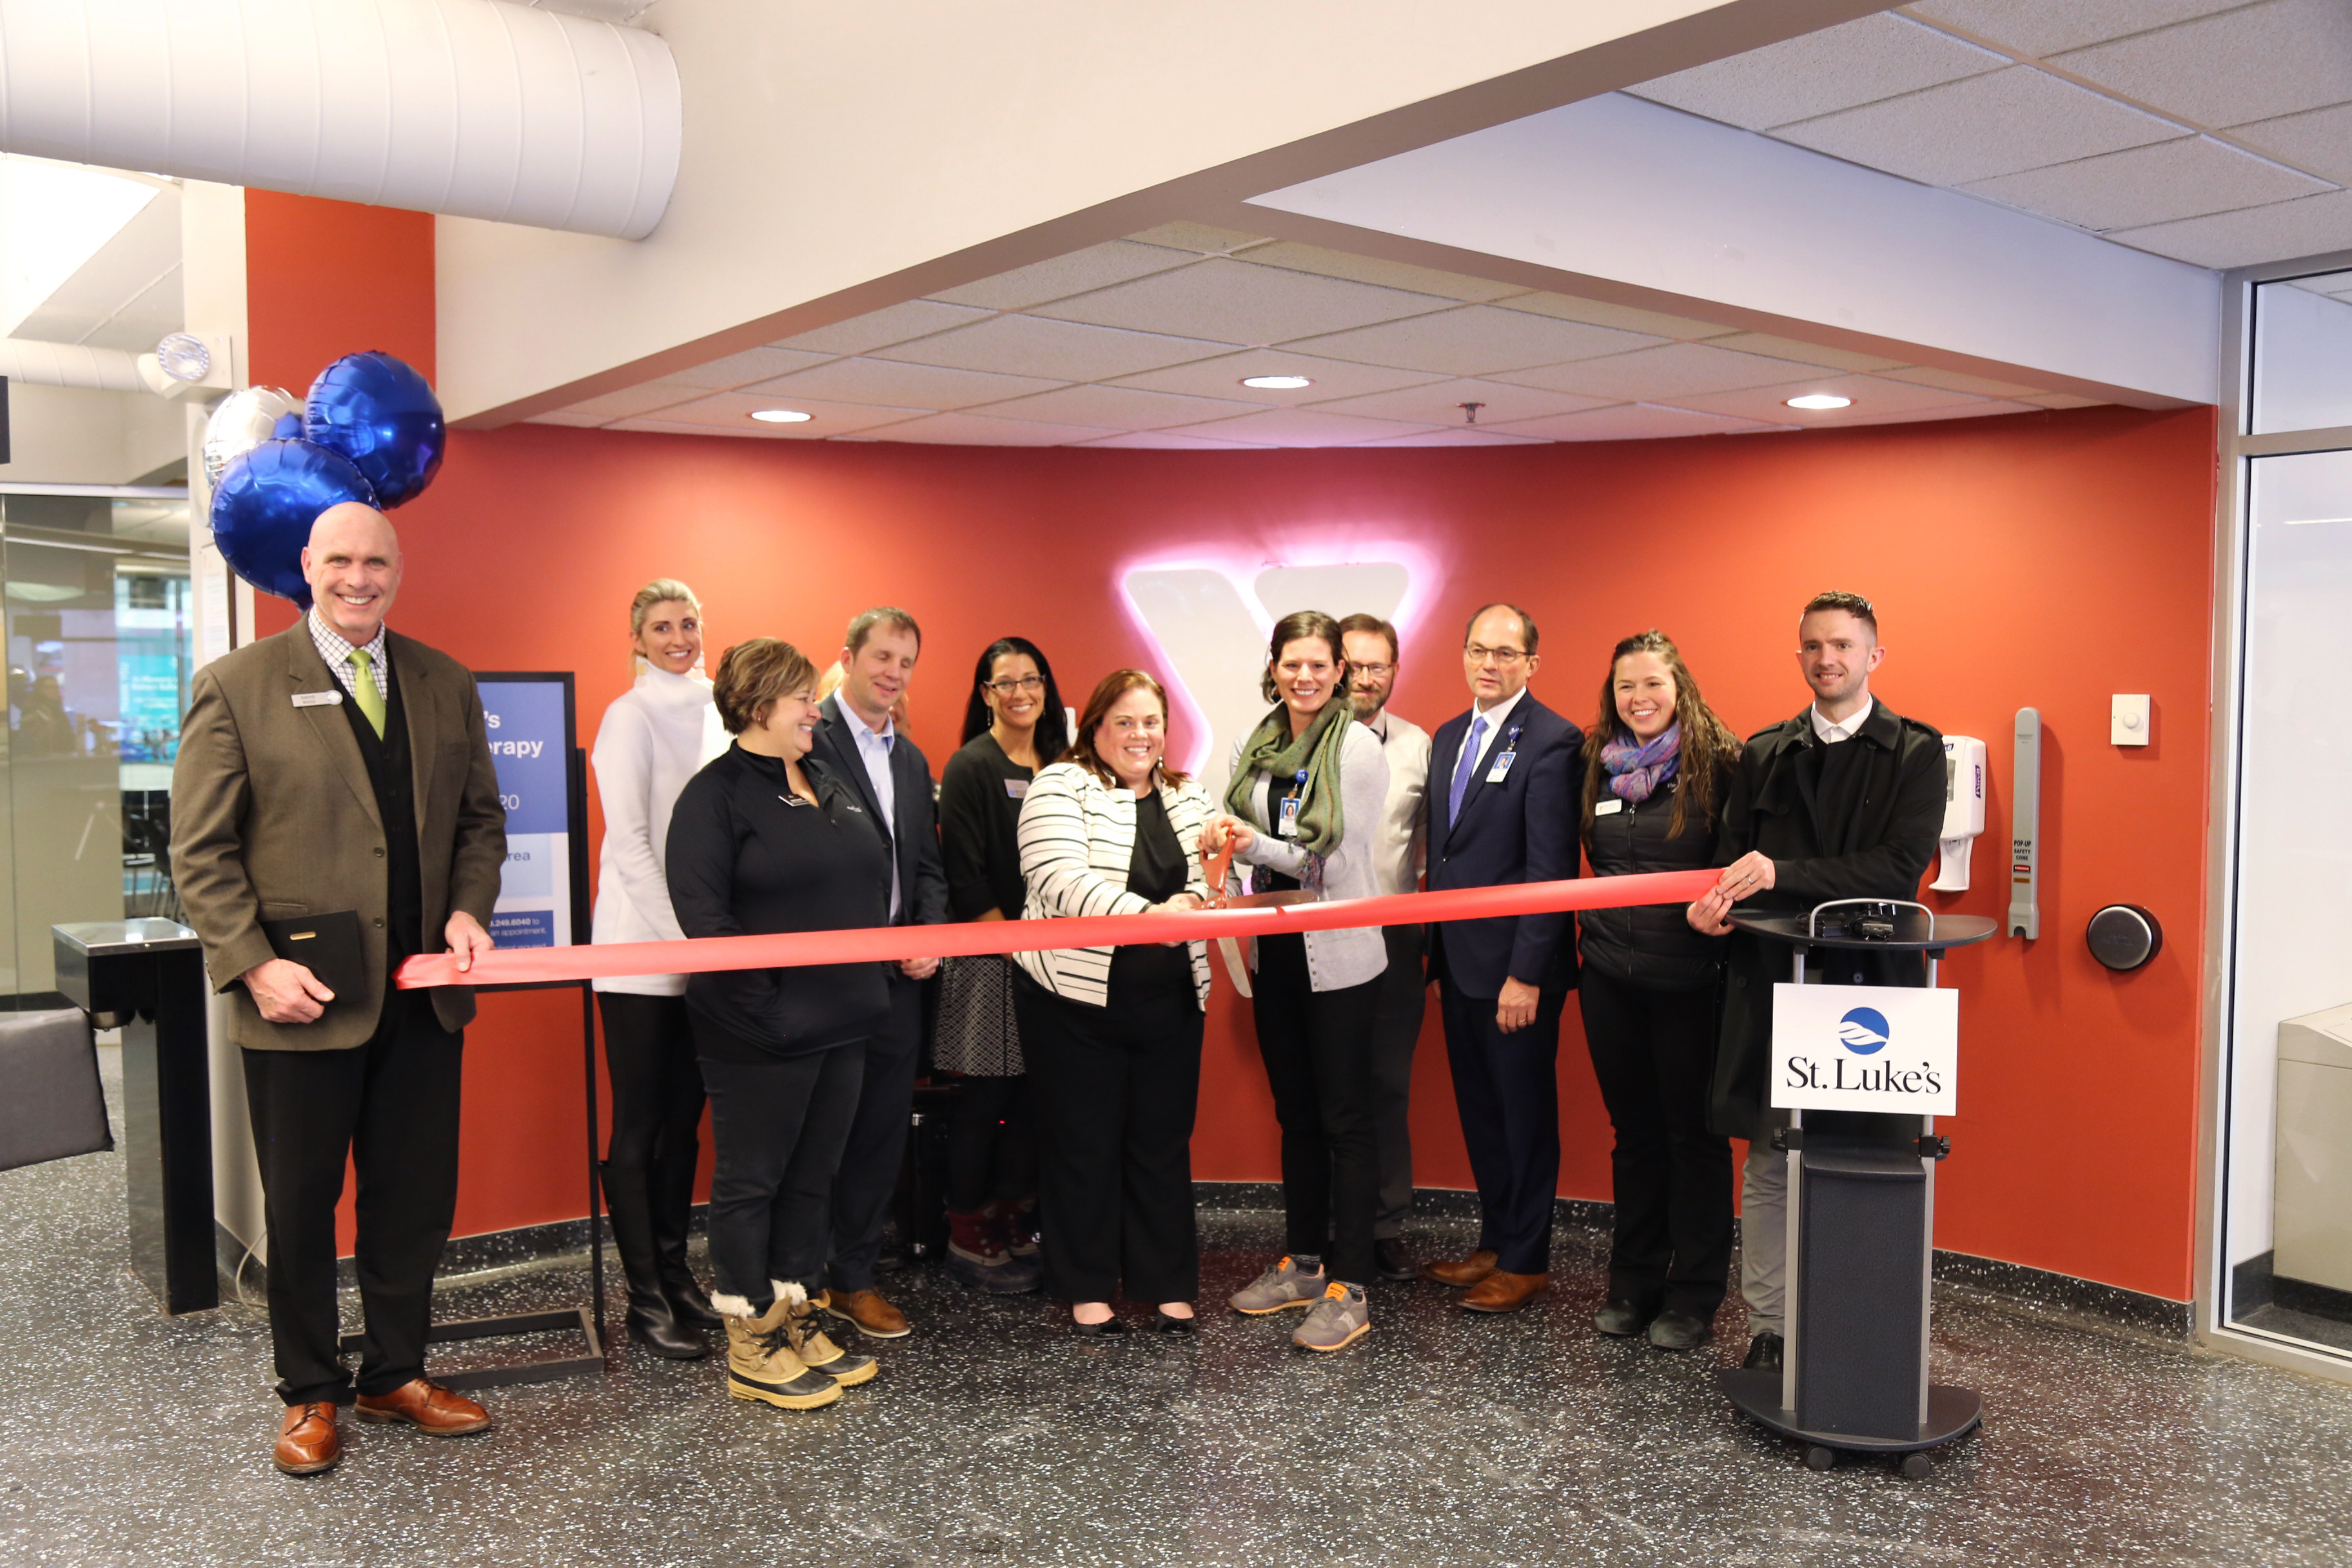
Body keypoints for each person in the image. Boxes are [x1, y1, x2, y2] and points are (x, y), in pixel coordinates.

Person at [170, 502, 505, 1477]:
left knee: (411, 1204)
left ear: (398, 569)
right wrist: (252, 963)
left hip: (422, 995)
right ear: (307, 566)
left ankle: (394, 1372)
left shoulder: (445, 681)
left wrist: (468, 908)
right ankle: (309, 1392)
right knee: (304, 1208)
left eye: (377, 563)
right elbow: (201, 854)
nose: (360, 580)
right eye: (341, 562)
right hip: (299, 998)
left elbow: (480, 823)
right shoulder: (236, 686)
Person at [1687, 591, 1944, 1375]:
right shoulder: (1765, 754)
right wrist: (1715, 905)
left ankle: (1865, 1319)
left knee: (1874, 1159)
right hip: (1775, 985)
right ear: (1798, 655)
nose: (1825, 657)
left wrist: (1783, 873)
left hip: (1876, 996)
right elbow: (1737, 864)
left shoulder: (1916, 752)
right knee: (1771, 1157)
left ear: (1874, 655)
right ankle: (1770, 1325)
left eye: (1841, 644)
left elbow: (1901, 867)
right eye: (1811, 645)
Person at [665, 638, 886, 1412]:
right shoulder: (714, 795)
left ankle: (794, 1314)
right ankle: (750, 1337)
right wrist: (770, 1007)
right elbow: (705, 918)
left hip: (844, 1018)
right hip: (758, 1028)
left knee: (811, 1176)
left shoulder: (826, 774)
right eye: (802, 699)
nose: (816, 711)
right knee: (753, 1180)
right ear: (759, 707)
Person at [1013, 670, 1215, 1337]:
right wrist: (1153, 914)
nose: (1141, 734)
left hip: (1170, 1000)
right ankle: (1087, 1285)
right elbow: (1057, 878)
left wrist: (1203, 889)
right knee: (1083, 1143)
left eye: (1151, 720)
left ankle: (1166, 1282)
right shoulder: (1059, 784)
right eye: (1124, 721)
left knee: (1161, 1142)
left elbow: (1213, 881)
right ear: (1094, 727)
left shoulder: (1187, 794)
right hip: (1072, 999)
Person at [1211, 611, 1389, 1353]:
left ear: (1339, 670)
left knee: (1347, 1119)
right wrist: (1226, 839)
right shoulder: (1260, 741)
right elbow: (1232, 817)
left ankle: (1352, 1284)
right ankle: (1305, 1261)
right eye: (1293, 664)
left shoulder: (1355, 746)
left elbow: (1335, 868)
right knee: (1297, 1112)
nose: (1305, 677)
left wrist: (1256, 844)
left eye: (1320, 664)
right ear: (1275, 665)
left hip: (1341, 953)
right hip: (1278, 949)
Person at [1577, 631, 1741, 1353]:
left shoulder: (1722, 763)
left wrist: (1724, 911)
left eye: (1653, 684)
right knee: (1635, 1136)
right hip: (1610, 976)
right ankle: (1633, 1281)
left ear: (1681, 687)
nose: (1639, 699)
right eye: (1625, 687)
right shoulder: (1595, 765)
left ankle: (1694, 1293)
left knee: (1694, 1138)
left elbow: (1741, 863)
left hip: (1690, 981)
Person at [1418, 602, 1582, 1314]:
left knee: (1523, 1114)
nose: (1490, 663)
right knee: (1481, 1111)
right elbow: (1446, 852)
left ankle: (1527, 1258)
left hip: (1516, 969)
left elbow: (1548, 867)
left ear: (1531, 664)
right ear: (1463, 653)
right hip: (1457, 961)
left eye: (1506, 653)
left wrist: (1527, 972)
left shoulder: (1552, 740)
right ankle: (1494, 1239)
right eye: (1479, 649)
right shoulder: (1449, 736)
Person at [587, 579, 730, 1359]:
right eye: (662, 626)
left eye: (689, 621)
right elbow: (632, 842)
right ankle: (645, 1298)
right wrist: (686, 936)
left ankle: (677, 1277)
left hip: (699, 946)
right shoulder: (628, 715)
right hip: (641, 946)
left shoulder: (718, 707)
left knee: (685, 1122)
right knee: (640, 1123)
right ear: (637, 638)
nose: (679, 635)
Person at [809, 607, 948, 1340]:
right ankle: (799, 1280)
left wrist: (928, 931)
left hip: (897, 979)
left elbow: (926, 865)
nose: (893, 672)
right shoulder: (806, 740)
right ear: (849, 656)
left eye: (906, 661)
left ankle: (854, 1277)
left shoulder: (911, 758)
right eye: (882, 656)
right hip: (826, 976)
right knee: (817, 1131)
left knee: (878, 1131)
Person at [934, 636, 1069, 1293]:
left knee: (1036, 1098)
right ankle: (969, 1231)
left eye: (1031, 679)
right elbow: (965, 876)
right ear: (985, 693)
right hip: (991, 960)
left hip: (1056, 961)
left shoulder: (1063, 763)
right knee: (986, 1100)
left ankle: (1015, 1221)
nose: (1020, 692)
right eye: (1004, 681)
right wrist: (1016, 948)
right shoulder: (971, 765)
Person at [1338, 611, 1431, 1282]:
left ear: (1395, 671)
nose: (1366, 677)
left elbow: (1429, 847)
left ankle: (1386, 1222)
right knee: (1330, 1089)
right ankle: (1330, 1226)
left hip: (1396, 937)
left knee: (1388, 1087)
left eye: (1379, 665)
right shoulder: (1296, 743)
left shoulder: (1418, 746)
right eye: (1355, 663)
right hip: (1316, 937)